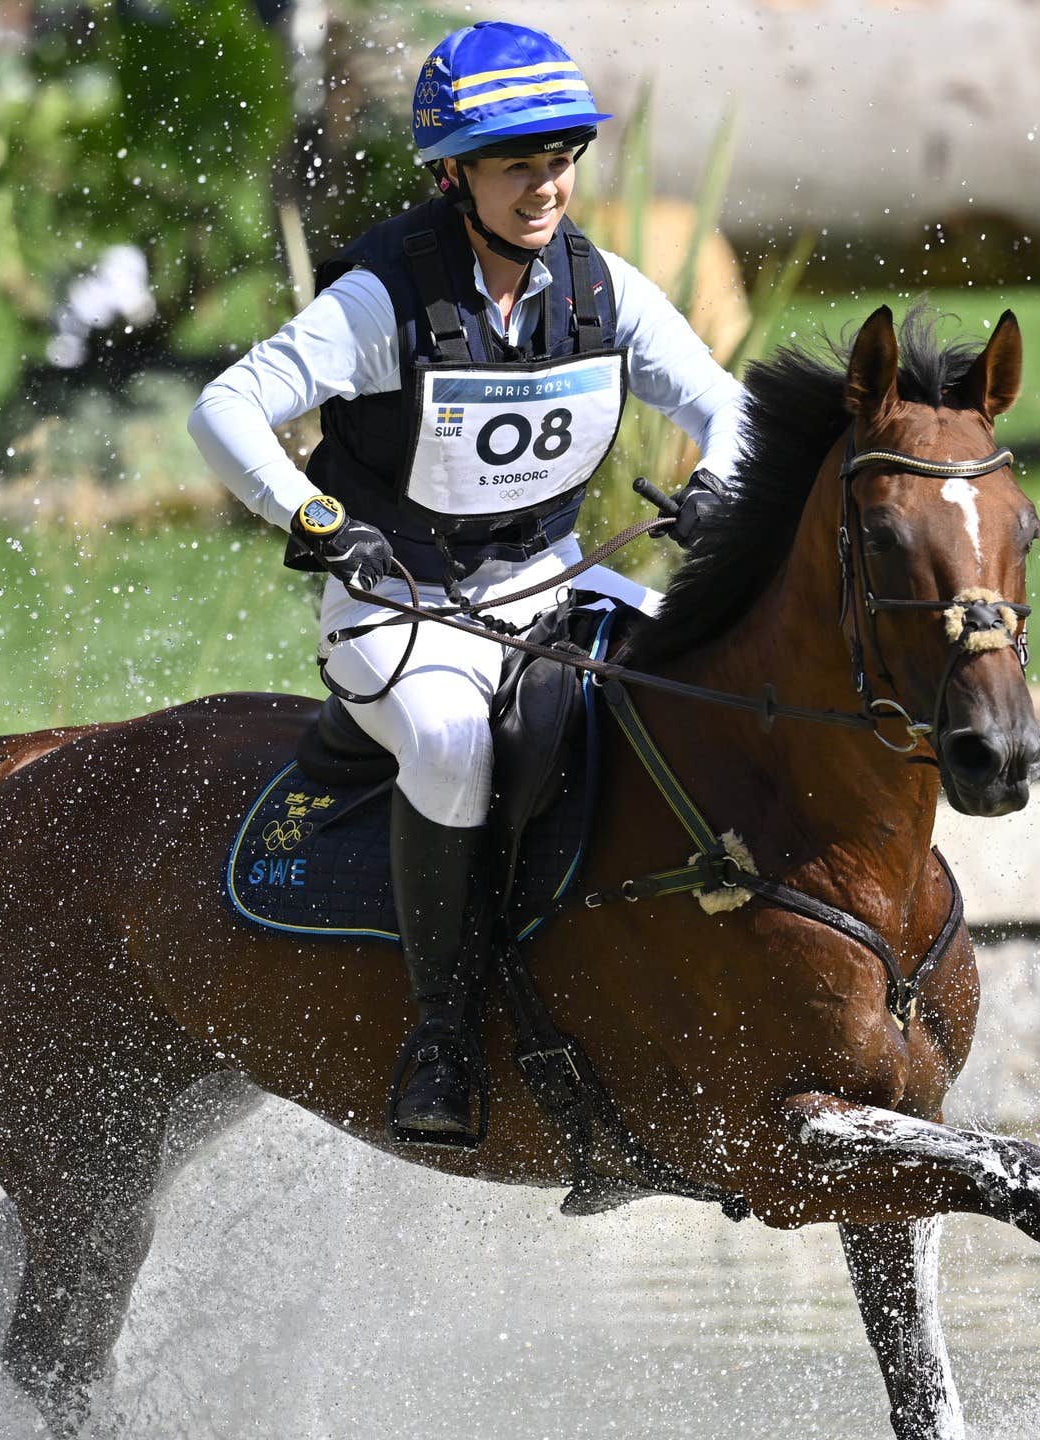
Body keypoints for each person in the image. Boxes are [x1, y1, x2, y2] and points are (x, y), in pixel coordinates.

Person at [189, 20, 750, 1147]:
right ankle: (442, 1036)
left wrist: (716, 486)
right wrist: (317, 519)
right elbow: (224, 411)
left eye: (559, 157)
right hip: (401, 606)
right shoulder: (382, 298)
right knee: (448, 742)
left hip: (550, 583)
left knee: (704, 694)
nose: (545, 185)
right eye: (514, 162)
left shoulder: (605, 288)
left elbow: (725, 406)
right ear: (455, 174)